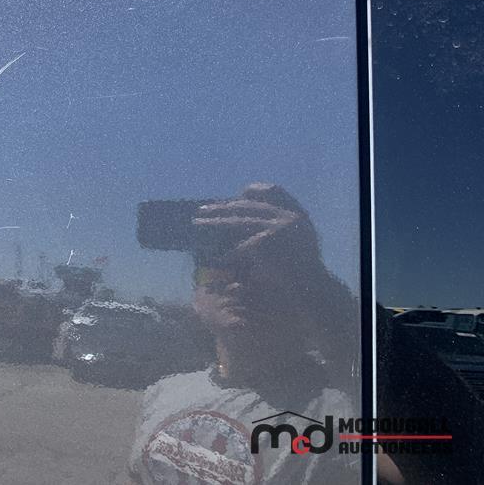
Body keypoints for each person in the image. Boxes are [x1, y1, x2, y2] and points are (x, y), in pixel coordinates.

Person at [127, 183, 401, 484]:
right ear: (196, 296)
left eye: (256, 270)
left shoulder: (336, 410)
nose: (237, 283)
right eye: (216, 271)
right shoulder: (163, 392)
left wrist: (315, 276)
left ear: (294, 292)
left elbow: (416, 468)